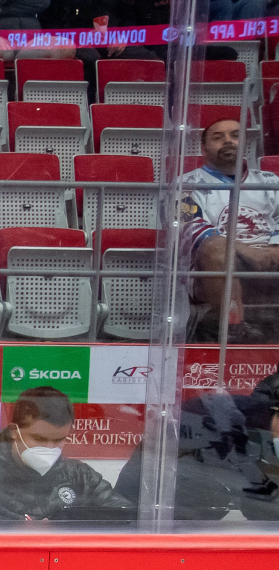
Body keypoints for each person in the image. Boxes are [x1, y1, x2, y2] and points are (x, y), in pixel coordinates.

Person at [0, 388, 132, 521]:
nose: (49, 447)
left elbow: (127, 516)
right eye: (39, 439)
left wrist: (65, 524)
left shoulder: (80, 476)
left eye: (58, 440)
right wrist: (23, 530)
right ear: (14, 432)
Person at [179, 116, 279, 343]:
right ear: (204, 149)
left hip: (268, 259)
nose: (228, 141)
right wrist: (243, 249)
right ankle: (235, 330)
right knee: (215, 248)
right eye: (218, 137)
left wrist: (274, 248)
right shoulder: (186, 184)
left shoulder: (269, 181)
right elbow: (190, 227)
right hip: (214, 268)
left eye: (235, 136)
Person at [114, 387, 279, 522]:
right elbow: (261, 501)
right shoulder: (221, 423)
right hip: (149, 518)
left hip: (184, 517)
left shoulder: (254, 431)